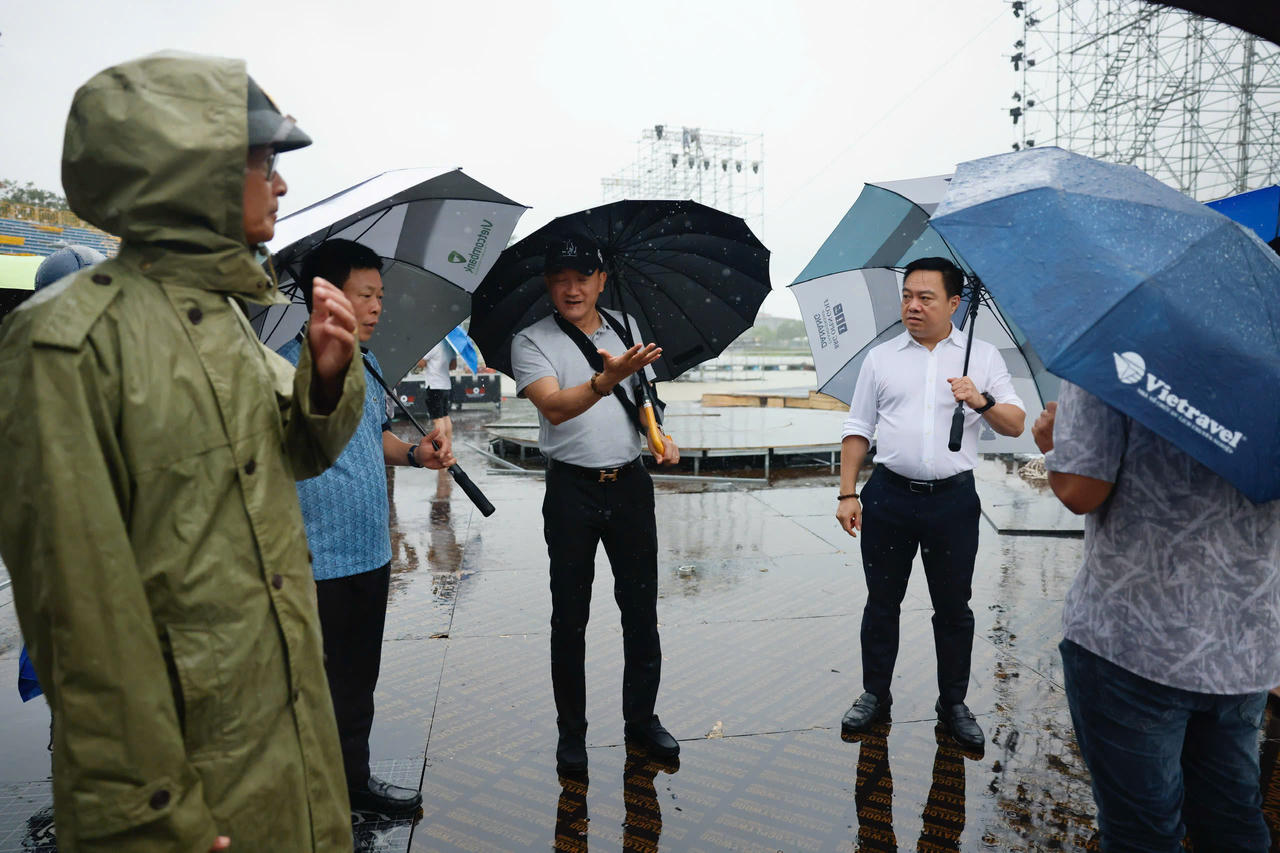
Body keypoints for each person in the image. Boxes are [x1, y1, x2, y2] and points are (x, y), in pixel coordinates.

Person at [0, 53, 366, 850]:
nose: (281, 183)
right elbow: (79, 615)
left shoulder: (225, 318)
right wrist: (150, 815)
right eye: (265, 160)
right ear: (195, 170)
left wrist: (329, 378)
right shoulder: (67, 342)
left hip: (277, 736)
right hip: (185, 781)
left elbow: (297, 451)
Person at [1033, 383, 1280, 851]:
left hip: (1134, 641)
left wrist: (1056, 443)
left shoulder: (1117, 337)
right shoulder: (1269, 346)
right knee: (1232, 819)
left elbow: (1082, 489)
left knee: (1142, 833)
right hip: (1245, 643)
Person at [278, 237, 454, 817]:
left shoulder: (370, 365)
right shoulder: (282, 367)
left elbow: (371, 439)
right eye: (365, 294)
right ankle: (305, 804)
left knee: (356, 685)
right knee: (306, 692)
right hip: (308, 561)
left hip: (368, 552)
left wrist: (415, 454)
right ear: (324, 296)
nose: (378, 307)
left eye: (381, 295)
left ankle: (353, 784)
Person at [835, 256, 1025, 752]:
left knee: (953, 608)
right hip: (889, 496)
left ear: (955, 303)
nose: (913, 306)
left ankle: (953, 703)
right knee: (881, 604)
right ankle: (875, 694)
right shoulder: (881, 358)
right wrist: (847, 492)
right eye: (907, 296)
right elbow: (857, 428)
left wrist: (979, 400)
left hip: (953, 503)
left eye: (926, 298)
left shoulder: (982, 357)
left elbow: (1015, 423)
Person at [511, 232, 681, 775]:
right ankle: (572, 735)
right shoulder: (531, 340)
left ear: (601, 281)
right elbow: (556, 408)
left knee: (641, 612)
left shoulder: (627, 329)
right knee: (570, 618)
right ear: (548, 285)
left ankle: (643, 720)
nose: (572, 288)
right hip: (572, 491)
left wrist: (660, 434)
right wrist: (607, 378)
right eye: (560, 279)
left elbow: (646, 400)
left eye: (582, 278)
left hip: (630, 486)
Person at [417, 339, 455, 444]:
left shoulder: (434, 344)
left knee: (438, 419)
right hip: (446, 385)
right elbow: (453, 366)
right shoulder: (451, 345)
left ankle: (441, 446)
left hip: (434, 385)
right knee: (445, 416)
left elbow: (421, 363)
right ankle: (449, 445)